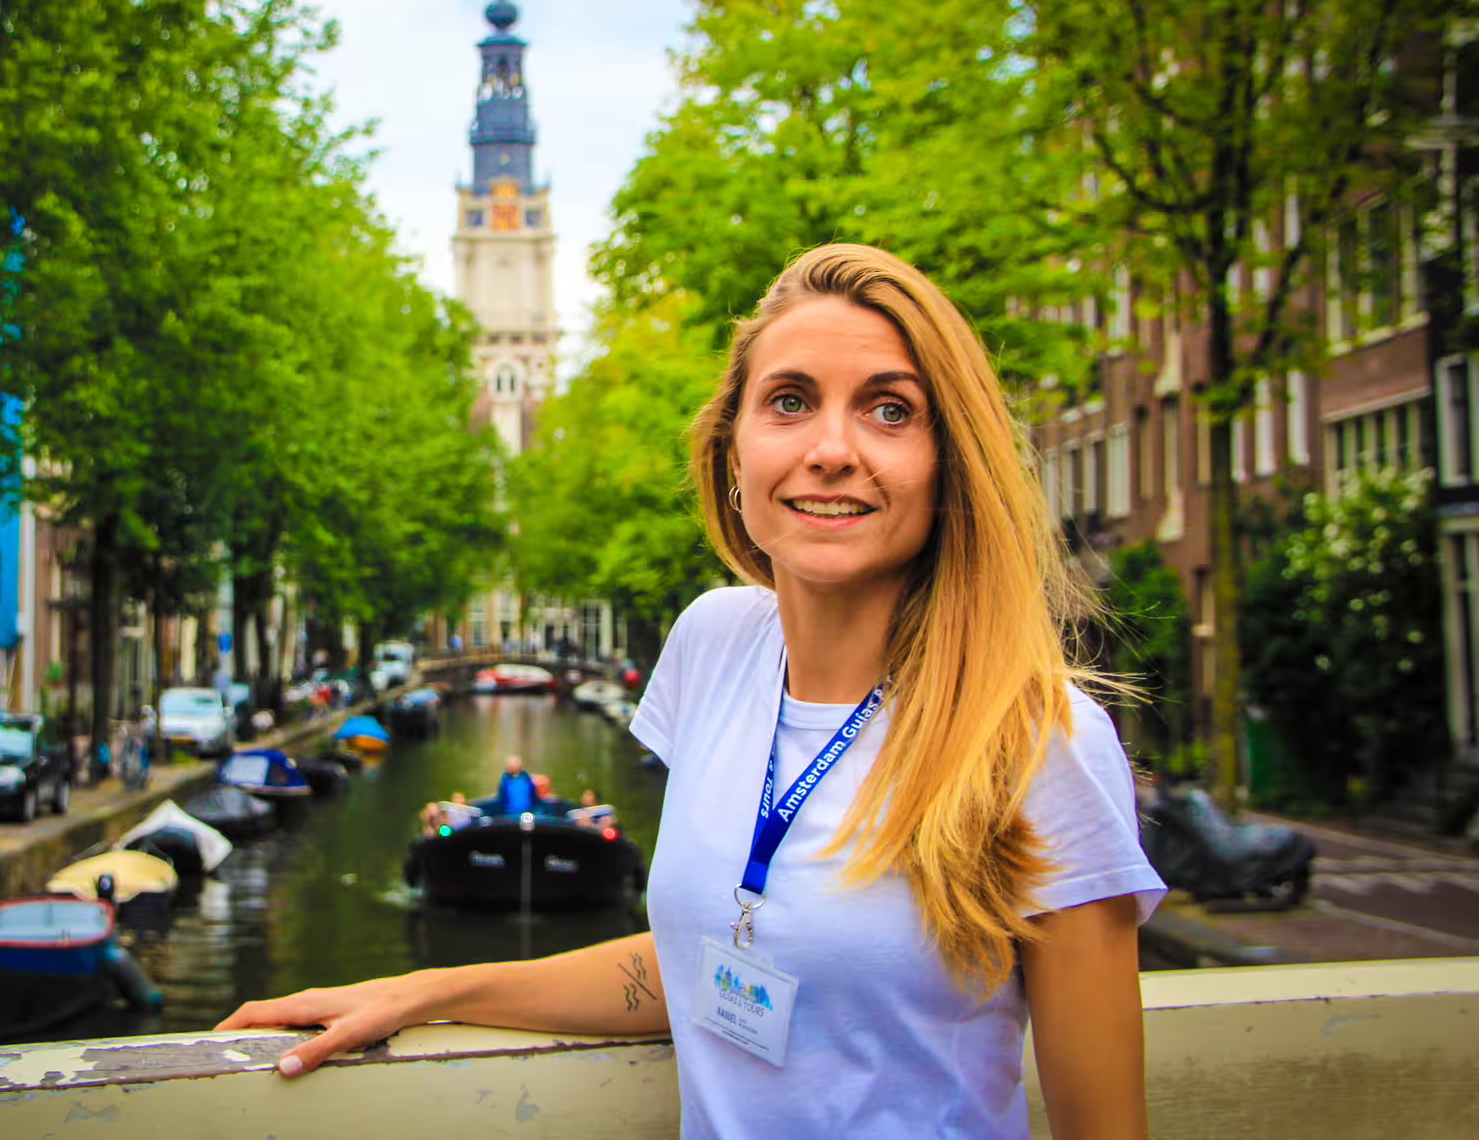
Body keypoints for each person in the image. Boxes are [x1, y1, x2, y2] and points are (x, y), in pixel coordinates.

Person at [218, 244, 1165, 1138]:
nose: (831, 448)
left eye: (889, 409)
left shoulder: (1036, 738)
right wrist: (425, 992)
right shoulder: (713, 647)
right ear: (733, 451)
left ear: (949, 460)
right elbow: (712, 965)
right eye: (789, 401)